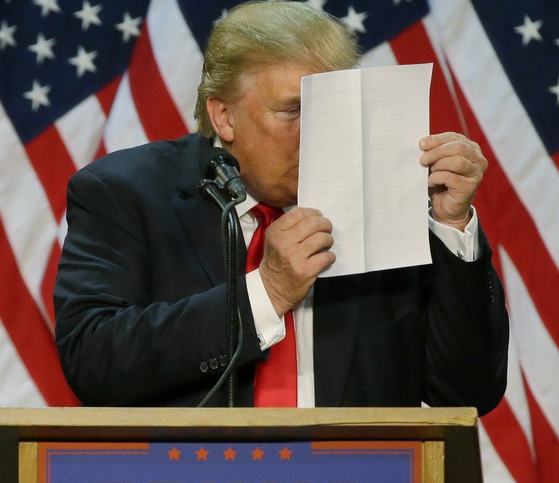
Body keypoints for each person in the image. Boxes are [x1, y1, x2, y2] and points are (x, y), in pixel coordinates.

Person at [54, 1, 509, 415]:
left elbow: (468, 392)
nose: (318, 133)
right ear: (224, 117)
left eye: (332, 110)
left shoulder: (384, 199)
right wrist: (266, 293)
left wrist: (451, 224)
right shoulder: (124, 193)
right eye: (294, 111)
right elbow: (93, 363)